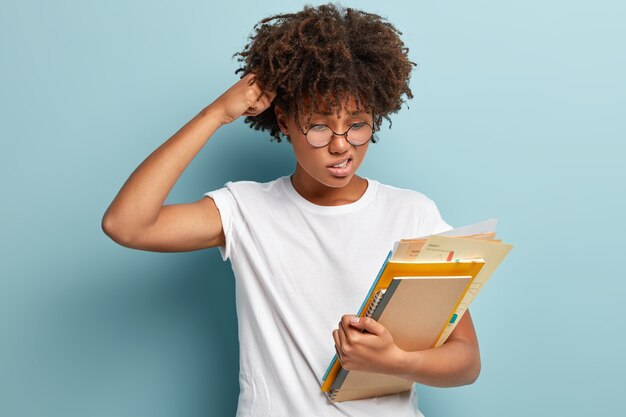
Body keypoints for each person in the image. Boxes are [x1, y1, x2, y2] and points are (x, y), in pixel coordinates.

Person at [102, 4, 481, 417]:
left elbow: (465, 361)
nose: (341, 145)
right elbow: (126, 224)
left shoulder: (413, 214)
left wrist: (395, 361)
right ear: (283, 119)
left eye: (357, 124)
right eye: (318, 126)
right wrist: (216, 114)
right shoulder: (245, 210)